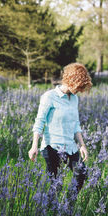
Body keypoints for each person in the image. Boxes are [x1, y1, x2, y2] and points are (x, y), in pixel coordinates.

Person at [28, 63, 92, 191]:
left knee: (81, 173)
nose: (79, 90)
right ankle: (53, 208)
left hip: (70, 146)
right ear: (71, 80)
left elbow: (76, 123)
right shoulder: (49, 96)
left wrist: (82, 145)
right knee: (55, 184)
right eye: (79, 87)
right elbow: (39, 121)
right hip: (52, 146)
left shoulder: (74, 99)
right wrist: (34, 145)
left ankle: (69, 203)